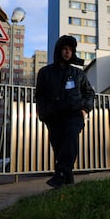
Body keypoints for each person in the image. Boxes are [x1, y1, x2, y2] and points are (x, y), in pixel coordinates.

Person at [36, 35, 95, 188]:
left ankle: (60, 173)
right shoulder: (45, 72)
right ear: (59, 50)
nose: (68, 52)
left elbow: (89, 93)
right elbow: (40, 95)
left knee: (69, 141)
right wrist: (43, 114)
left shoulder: (78, 74)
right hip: (54, 117)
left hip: (74, 115)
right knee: (59, 147)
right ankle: (67, 182)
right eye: (65, 49)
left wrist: (84, 109)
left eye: (70, 50)